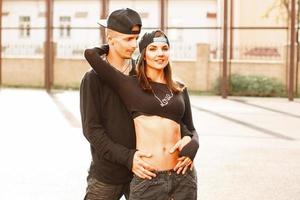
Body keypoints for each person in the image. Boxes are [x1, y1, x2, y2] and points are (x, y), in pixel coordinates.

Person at [80, 8, 196, 200]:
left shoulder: (141, 73)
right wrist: (128, 158)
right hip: (109, 174)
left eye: (136, 38)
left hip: (148, 172)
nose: (134, 45)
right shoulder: (93, 79)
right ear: (111, 39)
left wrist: (189, 139)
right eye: (128, 39)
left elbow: (167, 112)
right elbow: (92, 130)